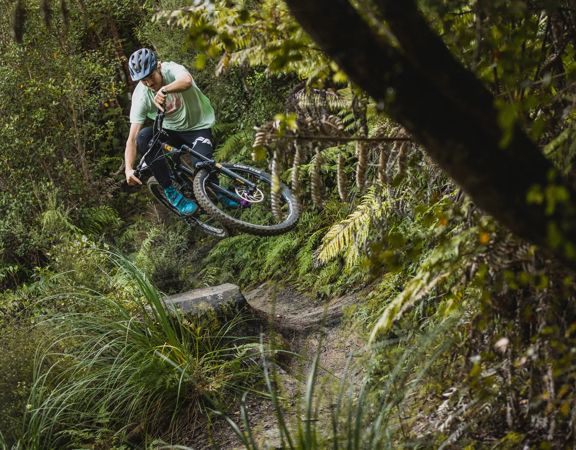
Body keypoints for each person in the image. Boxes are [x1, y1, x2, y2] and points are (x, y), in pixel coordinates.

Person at [124, 48, 220, 215]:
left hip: (198, 127)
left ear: (158, 67)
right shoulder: (141, 96)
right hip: (170, 132)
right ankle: (171, 192)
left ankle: (220, 193)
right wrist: (128, 169)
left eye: (151, 77)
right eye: (143, 81)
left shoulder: (172, 69)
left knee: (203, 167)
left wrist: (165, 90)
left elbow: (187, 81)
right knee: (143, 137)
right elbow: (131, 139)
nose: (149, 84)